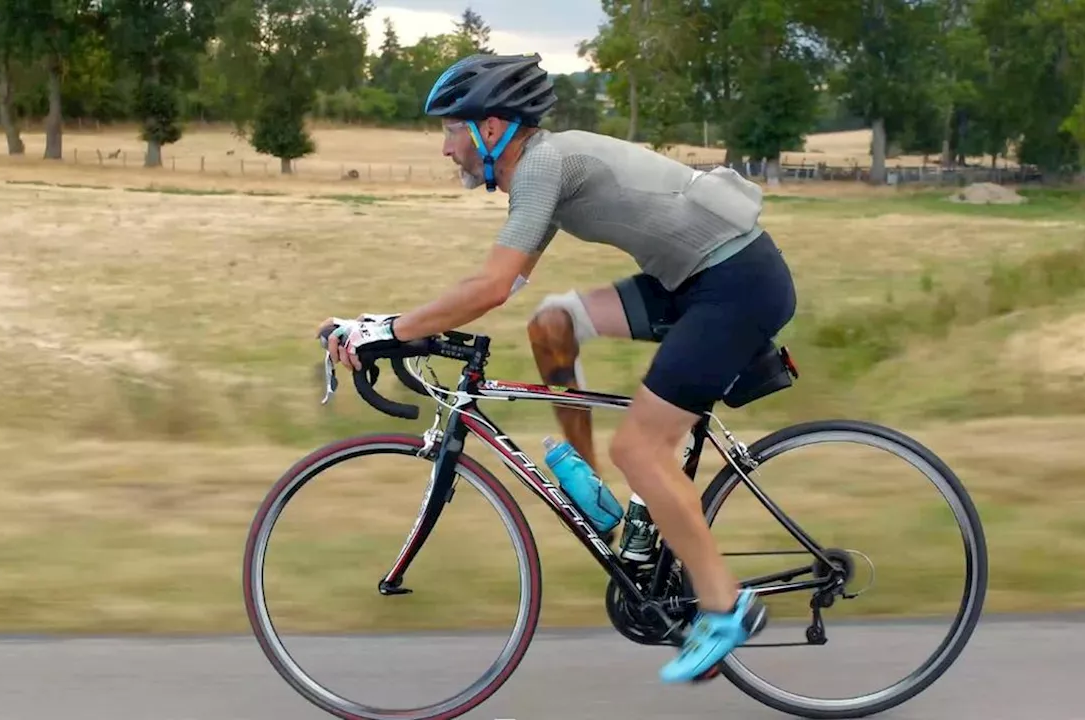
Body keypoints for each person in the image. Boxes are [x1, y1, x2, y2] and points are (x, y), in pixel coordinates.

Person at [319, 53, 796, 684]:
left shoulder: (543, 164)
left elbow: (489, 287)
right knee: (553, 324)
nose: (445, 147)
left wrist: (388, 332)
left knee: (644, 450)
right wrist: (396, 323)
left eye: (451, 129)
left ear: (491, 129)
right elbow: (507, 282)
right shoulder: (539, 170)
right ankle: (607, 501)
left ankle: (723, 606)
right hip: (691, 279)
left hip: (733, 284)